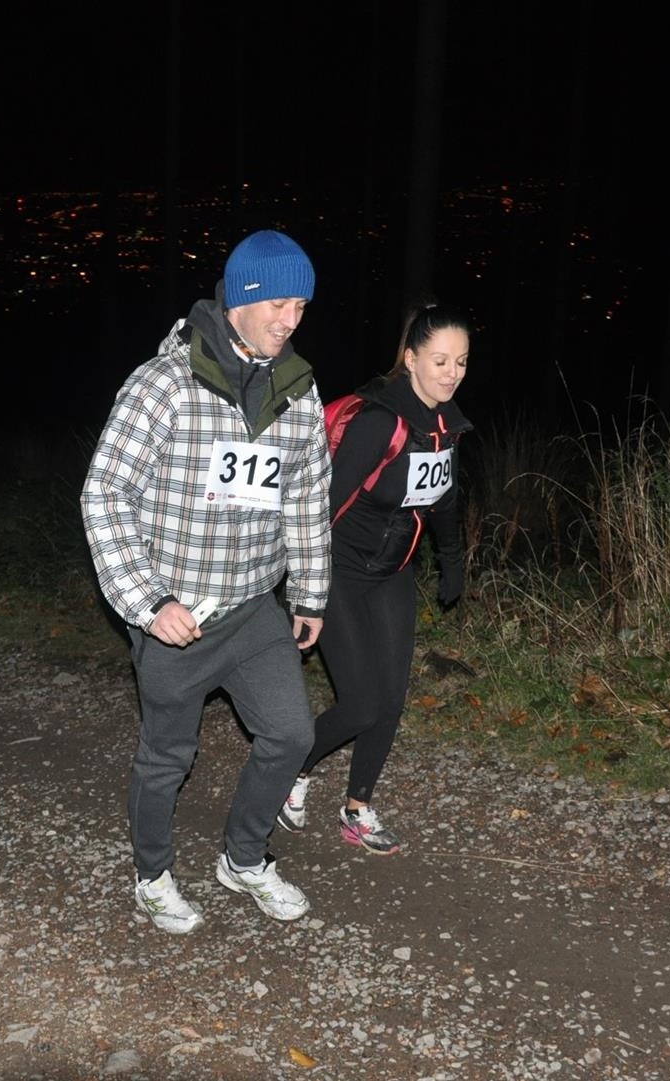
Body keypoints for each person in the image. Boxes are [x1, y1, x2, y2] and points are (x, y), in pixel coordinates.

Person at [81, 229, 332, 933]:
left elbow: (307, 501)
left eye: (301, 307)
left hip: (253, 608)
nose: (290, 319)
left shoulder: (297, 392)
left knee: (290, 735)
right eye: (278, 303)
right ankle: (152, 875)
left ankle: (244, 858)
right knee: (168, 756)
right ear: (242, 299)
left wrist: (310, 592)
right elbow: (105, 495)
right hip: (179, 614)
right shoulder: (163, 385)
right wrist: (148, 601)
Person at [277, 301, 474, 855]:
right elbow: (321, 506)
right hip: (340, 571)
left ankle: (357, 807)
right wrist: (302, 585)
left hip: (393, 573)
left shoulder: (446, 425)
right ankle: (291, 769)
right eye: (440, 361)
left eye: (461, 362)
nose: (452, 374)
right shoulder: (379, 423)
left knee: (389, 700)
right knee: (361, 705)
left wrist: (452, 560)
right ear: (411, 359)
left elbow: (444, 499)